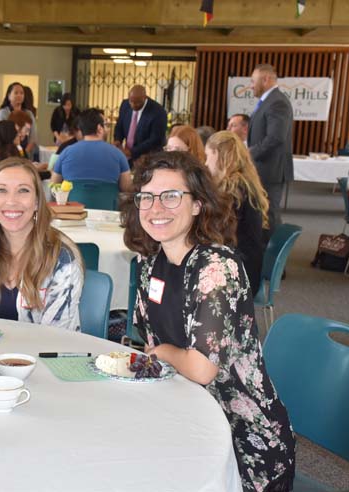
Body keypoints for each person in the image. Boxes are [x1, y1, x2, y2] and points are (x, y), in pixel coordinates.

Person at [122, 151, 295, 491]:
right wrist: (164, 353)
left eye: (171, 196)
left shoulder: (216, 267)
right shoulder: (149, 263)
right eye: (147, 197)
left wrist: (165, 353)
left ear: (198, 204)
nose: (156, 208)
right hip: (183, 413)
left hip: (243, 437)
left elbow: (200, 368)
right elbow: (151, 344)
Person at [0, 157, 83, 331]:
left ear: (37, 202)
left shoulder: (61, 260)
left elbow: (56, 338)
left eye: (23, 190)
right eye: (1, 190)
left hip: (46, 355)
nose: (11, 201)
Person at [205, 131, 269, 296]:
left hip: (239, 272)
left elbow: (218, 232)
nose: (205, 163)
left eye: (207, 156)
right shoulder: (245, 183)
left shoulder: (233, 189)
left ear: (218, 155)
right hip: (249, 265)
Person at [247, 64, 293, 235]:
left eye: (253, 80)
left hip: (270, 170)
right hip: (264, 168)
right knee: (263, 212)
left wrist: (249, 153)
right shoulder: (269, 101)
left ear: (265, 79)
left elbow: (275, 138)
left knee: (269, 213)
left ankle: (274, 254)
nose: (251, 85)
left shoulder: (277, 102)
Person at [51, 108, 133, 192]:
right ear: (99, 128)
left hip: (74, 203)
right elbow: (127, 189)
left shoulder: (66, 153)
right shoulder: (118, 155)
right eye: (105, 125)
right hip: (107, 204)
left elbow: (54, 186)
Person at [113, 84, 168, 166]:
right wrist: (118, 139)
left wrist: (132, 152)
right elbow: (120, 125)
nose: (133, 105)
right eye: (131, 101)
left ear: (145, 98)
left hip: (148, 157)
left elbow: (156, 139)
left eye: (137, 103)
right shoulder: (125, 105)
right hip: (127, 157)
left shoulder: (158, 112)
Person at [0, 82, 38, 159]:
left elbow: (33, 137)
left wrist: (24, 154)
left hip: (26, 152)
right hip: (6, 152)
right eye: (16, 93)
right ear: (9, 96)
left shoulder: (29, 114)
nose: (19, 95)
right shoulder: (3, 113)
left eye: (21, 93)